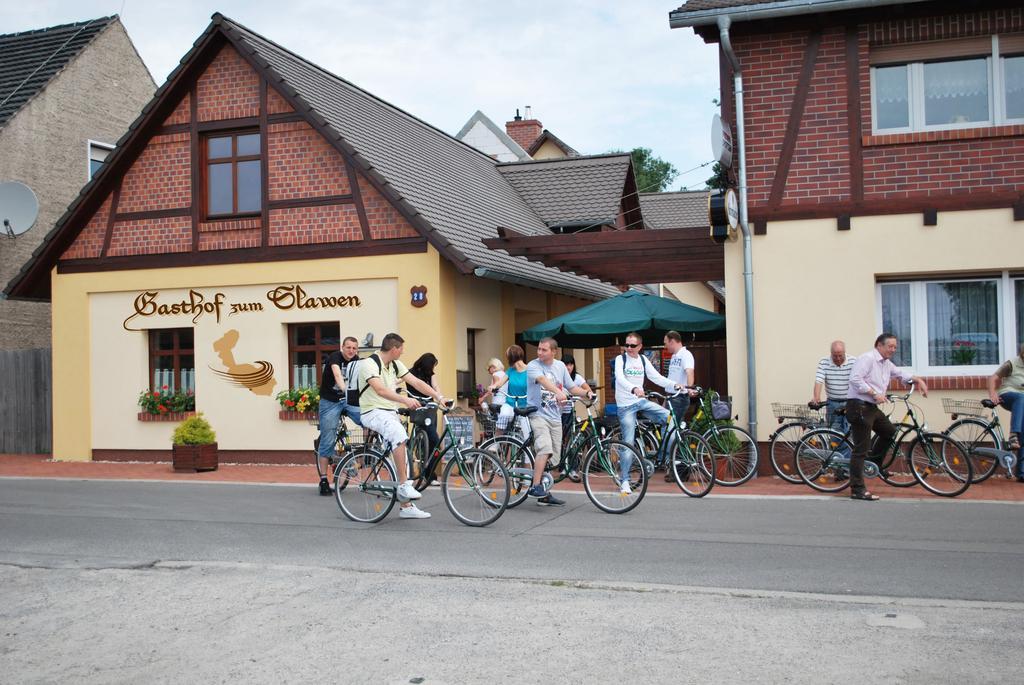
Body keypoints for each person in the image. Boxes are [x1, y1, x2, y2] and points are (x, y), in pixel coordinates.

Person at [356, 333, 447, 519]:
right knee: (399, 434)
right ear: (394, 348)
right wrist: (406, 400)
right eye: (402, 349)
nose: (403, 352)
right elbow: (380, 390)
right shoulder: (369, 364)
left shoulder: (395, 365)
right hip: (372, 412)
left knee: (403, 456)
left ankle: (406, 507)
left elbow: (416, 382)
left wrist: (439, 397)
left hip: (389, 412)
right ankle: (405, 486)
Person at [846, 333, 929, 501]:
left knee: (890, 431)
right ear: (879, 345)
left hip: (871, 407)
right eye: (890, 346)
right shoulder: (867, 358)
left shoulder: (886, 363)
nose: (893, 349)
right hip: (859, 405)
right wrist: (874, 393)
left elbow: (899, 374)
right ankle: (857, 489)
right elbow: (855, 379)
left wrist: (918, 380)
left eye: (895, 347)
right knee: (861, 448)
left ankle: (874, 464)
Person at [526, 337, 592, 505]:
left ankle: (544, 493)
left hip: (556, 417)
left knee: (555, 459)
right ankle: (535, 486)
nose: (539, 352)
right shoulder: (533, 365)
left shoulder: (560, 366)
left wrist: (587, 393)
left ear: (554, 352)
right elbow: (542, 380)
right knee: (545, 447)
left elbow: (572, 388)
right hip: (537, 414)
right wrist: (557, 391)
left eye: (544, 350)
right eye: (539, 349)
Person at [614, 332, 684, 493]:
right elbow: (619, 378)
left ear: (640, 346)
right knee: (628, 442)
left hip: (641, 402)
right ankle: (625, 480)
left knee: (669, 417)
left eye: (632, 345)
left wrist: (676, 385)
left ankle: (667, 457)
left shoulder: (643, 360)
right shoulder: (620, 359)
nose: (629, 348)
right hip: (625, 406)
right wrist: (634, 388)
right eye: (626, 345)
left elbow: (657, 378)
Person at [316, 335, 362, 495]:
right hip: (330, 401)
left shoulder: (357, 361)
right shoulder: (334, 357)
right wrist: (346, 391)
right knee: (327, 440)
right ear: (343, 347)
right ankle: (323, 480)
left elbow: (363, 380)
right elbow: (337, 375)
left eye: (354, 348)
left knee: (369, 420)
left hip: (348, 400)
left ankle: (366, 458)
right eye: (348, 347)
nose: (351, 351)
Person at [663, 331, 698, 481]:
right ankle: (677, 469)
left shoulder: (685, 355)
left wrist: (689, 388)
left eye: (665, 343)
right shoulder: (674, 356)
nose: (665, 346)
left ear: (673, 341)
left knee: (673, 434)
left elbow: (689, 372)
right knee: (671, 432)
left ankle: (680, 470)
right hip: (671, 398)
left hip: (679, 399)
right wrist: (666, 399)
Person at [988, 343, 1024, 481]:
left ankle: (1021, 474)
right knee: (1021, 398)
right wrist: (992, 394)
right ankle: (1013, 435)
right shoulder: (1012, 364)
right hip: (1008, 395)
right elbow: (993, 378)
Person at [481, 345, 531, 439]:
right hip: (510, 403)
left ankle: (525, 452)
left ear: (511, 358)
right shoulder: (511, 371)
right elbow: (500, 383)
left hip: (524, 405)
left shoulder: (529, 370)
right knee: (503, 417)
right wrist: (493, 386)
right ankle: (495, 443)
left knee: (526, 433)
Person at [559, 354, 592, 481]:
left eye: (570, 364)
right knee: (559, 440)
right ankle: (562, 468)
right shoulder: (558, 376)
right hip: (556, 412)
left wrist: (588, 395)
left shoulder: (577, 378)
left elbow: (587, 389)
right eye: (566, 364)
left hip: (569, 412)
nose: (568, 367)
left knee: (571, 440)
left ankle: (572, 468)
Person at [812, 340, 855, 433]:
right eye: (835, 356)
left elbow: (859, 380)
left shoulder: (854, 361)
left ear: (845, 352)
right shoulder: (824, 362)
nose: (838, 358)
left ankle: (847, 448)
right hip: (832, 402)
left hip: (850, 402)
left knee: (850, 432)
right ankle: (836, 448)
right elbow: (819, 380)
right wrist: (816, 397)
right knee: (834, 432)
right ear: (831, 353)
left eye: (840, 355)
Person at [408, 353, 442, 458]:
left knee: (432, 435)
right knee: (432, 437)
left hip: (429, 406)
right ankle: (418, 450)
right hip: (416, 405)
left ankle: (430, 469)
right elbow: (398, 380)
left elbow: (436, 386)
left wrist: (441, 397)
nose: (432, 368)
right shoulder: (410, 373)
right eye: (432, 365)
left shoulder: (430, 374)